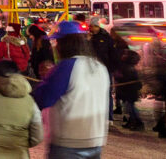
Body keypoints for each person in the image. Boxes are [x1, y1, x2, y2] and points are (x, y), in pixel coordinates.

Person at [31, 20, 109, 159]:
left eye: (57, 42)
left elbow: (43, 99)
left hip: (69, 142)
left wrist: (47, 78)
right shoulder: (99, 67)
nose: (54, 47)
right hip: (96, 140)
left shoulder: (67, 66)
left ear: (65, 44)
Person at [114, 48, 144, 131]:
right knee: (128, 108)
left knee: (131, 108)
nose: (123, 56)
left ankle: (138, 123)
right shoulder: (125, 66)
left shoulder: (129, 68)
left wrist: (119, 77)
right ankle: (131, 121)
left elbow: (125, 78)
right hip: (126, 92)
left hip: (129, 92)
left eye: (125, 55)